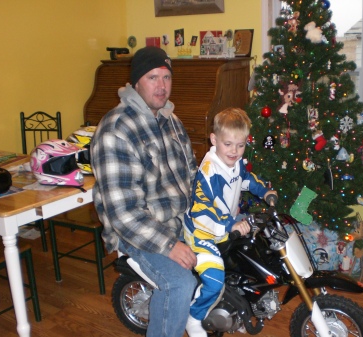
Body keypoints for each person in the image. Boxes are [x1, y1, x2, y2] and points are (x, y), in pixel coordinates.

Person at [90, 46, 198, 337]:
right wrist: (170, 245)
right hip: (138, 233)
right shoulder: (116, 130)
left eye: (166, 77)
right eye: (153, 77)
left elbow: (192, 172)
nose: (162, 86)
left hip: (180, 219)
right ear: (136, 82)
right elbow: (123, 214)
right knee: (180, 283)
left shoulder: (171, 121)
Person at [183, 108, 277, 337]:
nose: (234, 151)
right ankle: (193, 317)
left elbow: (245, 179)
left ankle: (238, 309)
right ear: (214, 140)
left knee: (246, 262)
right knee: (215, 280)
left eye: (241, 145)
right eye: (228, 144)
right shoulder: (208, 172)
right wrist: (230, 225)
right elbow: (204, 210)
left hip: (225, 225)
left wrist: (264, 192)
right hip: (202, 231)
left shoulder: (234, 161)